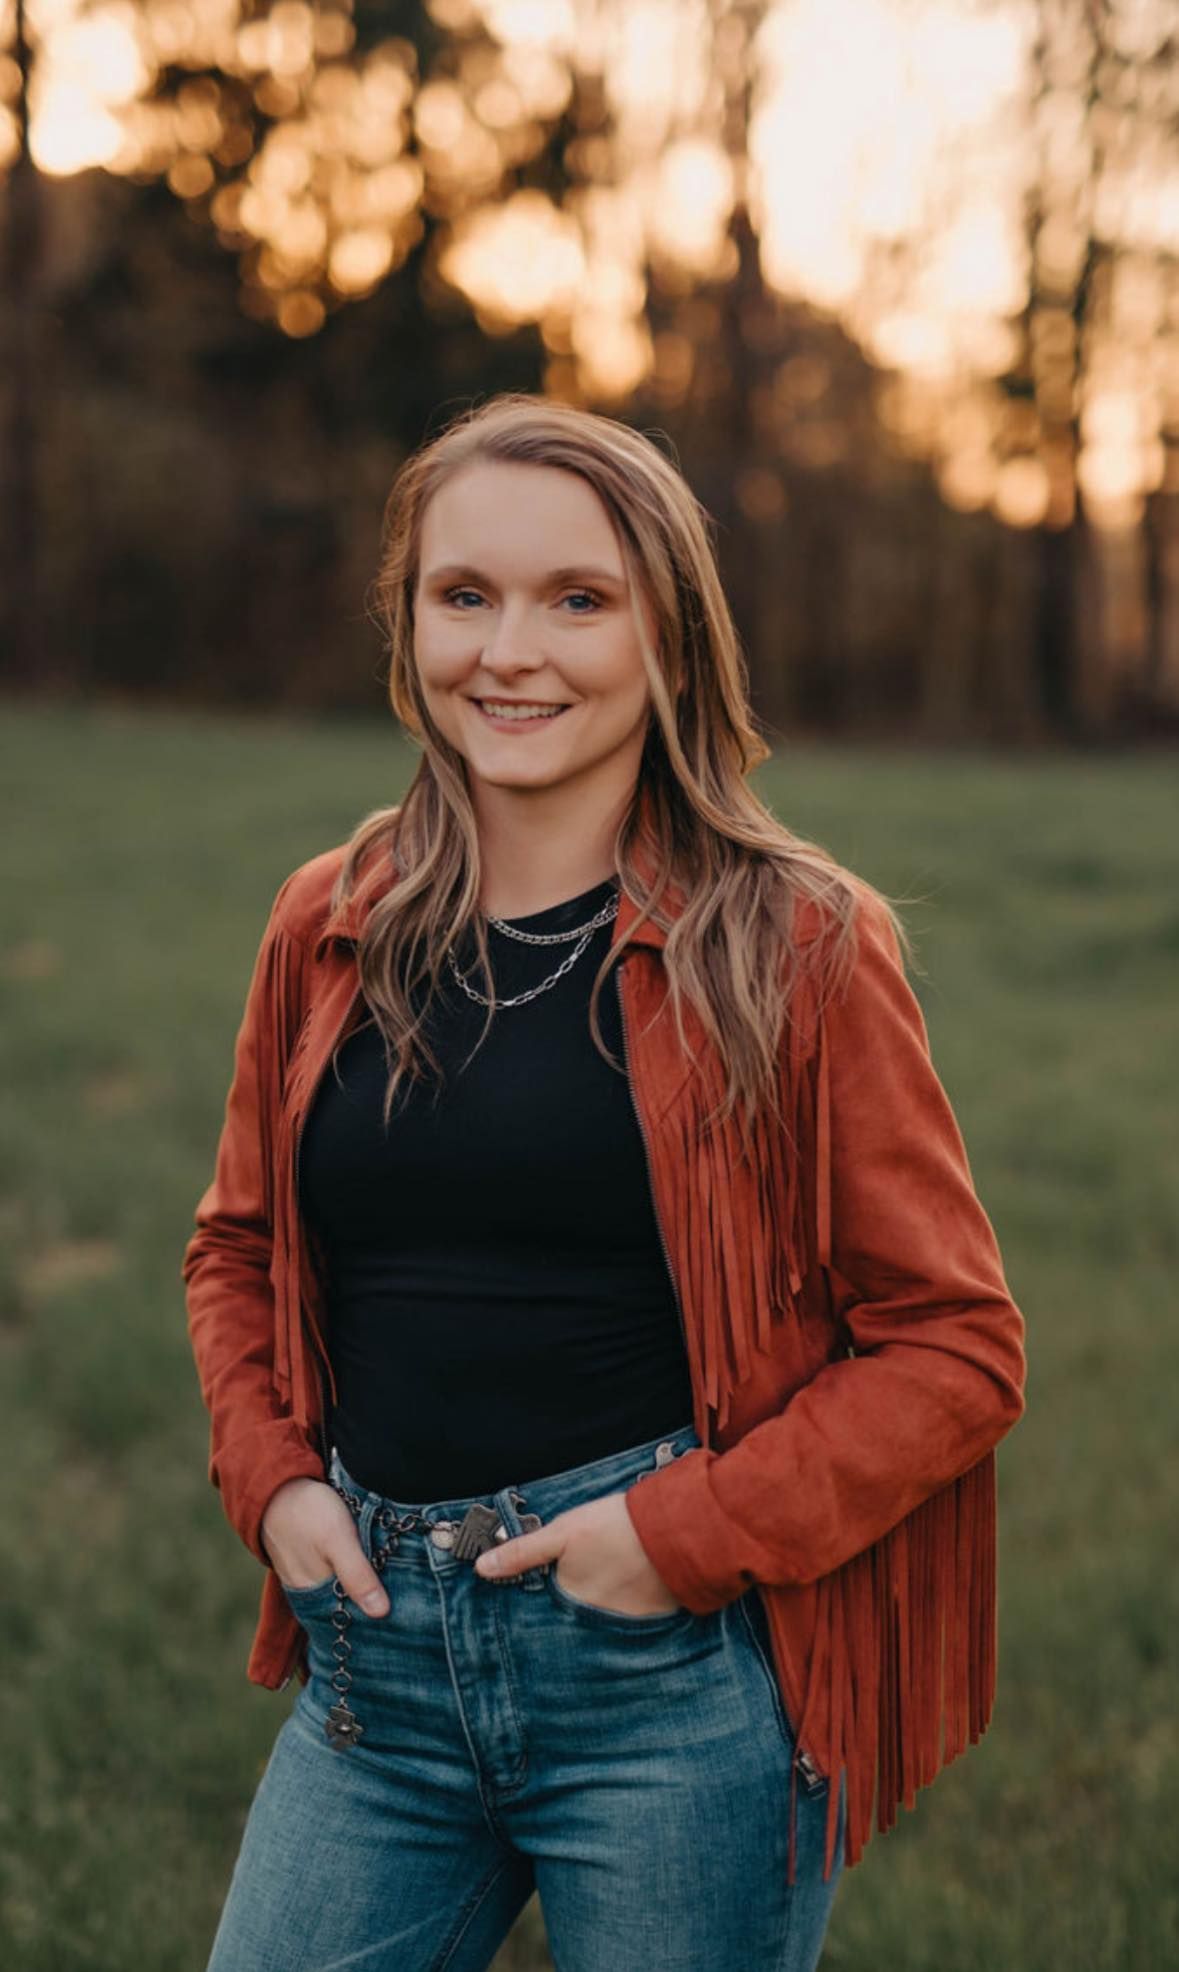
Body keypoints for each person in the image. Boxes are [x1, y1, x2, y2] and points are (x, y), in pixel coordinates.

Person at [183, 392, 1027, 1972]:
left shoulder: (798, 946)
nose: (513, 651)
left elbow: (957, 1348)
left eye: (579, 599)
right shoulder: (326, 921)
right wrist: (276, 1480)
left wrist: (683, 1533)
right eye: (464, 595)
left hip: (672, 1688)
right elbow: (235, 1246)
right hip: (377, 1671)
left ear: (670, 637)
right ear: (409, 621)